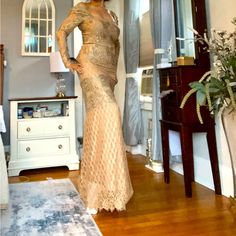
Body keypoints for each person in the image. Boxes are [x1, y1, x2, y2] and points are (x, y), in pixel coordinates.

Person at [56, 0, 133, 214]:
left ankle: (105, 190)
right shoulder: (82, 8)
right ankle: (95, 192)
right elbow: (62, 31)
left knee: (101, 122)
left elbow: (116, 46)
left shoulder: (112, 14)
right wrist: (67, 60)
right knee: (109, 112)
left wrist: (114, 74)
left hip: (108, 71)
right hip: (89, 65)